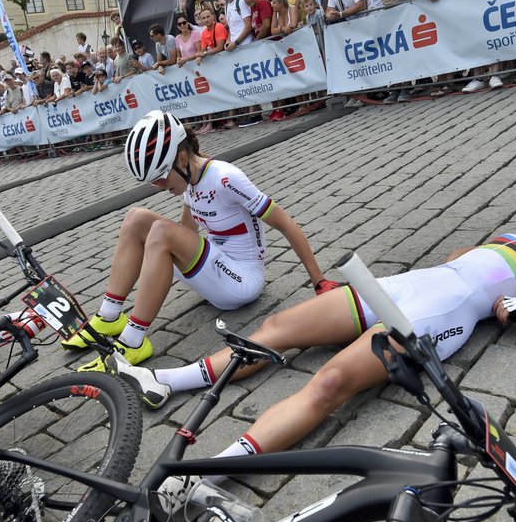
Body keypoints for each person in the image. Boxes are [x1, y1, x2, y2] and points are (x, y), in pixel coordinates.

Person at [107, 186, 516, 491]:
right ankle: (162, 380)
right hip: (412, 284)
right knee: (277, 330)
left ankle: (207, 475)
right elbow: (463, 258)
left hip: (441, 310)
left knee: (329, 384)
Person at [64, 110, 339, 371]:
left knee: (160, 230)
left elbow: (285, 223)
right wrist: (159, 263)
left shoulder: (225, 177)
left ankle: (133, 341)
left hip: (243, 281)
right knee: (136, 218)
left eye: (160, 179)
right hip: (217, 270)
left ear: (182, 159)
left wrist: (319, 281)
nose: (159, 188)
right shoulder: (190, 183)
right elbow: (187, 235)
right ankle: (109, 316)